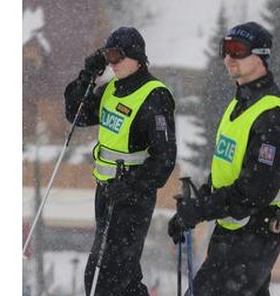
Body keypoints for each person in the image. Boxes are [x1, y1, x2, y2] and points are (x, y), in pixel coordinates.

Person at [168, 21, 280, 295]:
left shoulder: (273, 117)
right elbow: (225, 170)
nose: (229, 58)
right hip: (231, 230)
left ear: (261, 56)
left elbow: (255, 192)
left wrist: (202, 209)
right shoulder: (239, 105)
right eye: (225, 50)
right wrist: (194, 208)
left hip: (255, 230)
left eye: (238, 50)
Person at [64, 26, 177, 296]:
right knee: (121, 278)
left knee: (103, 277)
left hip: (132, 198)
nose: (111, 63)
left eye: (116, 56)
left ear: (136, 56)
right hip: (106, 193)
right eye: (107, 56)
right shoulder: (112, 90)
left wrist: (130, 186)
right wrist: (88, 75)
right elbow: (76, 114)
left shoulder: (154, 96)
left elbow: (165, 158)